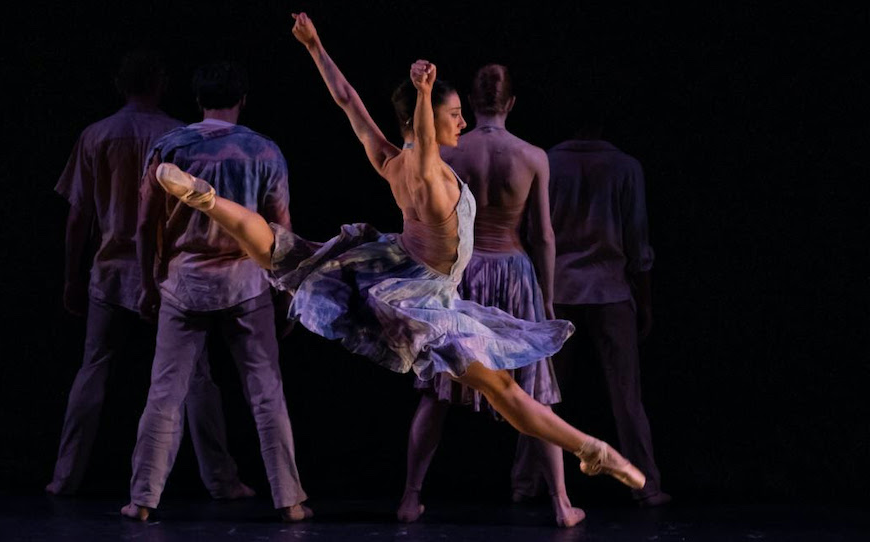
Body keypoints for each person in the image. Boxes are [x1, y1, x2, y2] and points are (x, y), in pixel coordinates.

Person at [152, 13, 646, 509]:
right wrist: (426, 91)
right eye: (455, 114)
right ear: (427, 119)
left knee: (284, 251)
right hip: (422, 295)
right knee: (503, 390)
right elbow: (427, 143)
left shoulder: (391, 161)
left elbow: (348, 101)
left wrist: (315, 46)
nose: (463, 122)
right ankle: (591, 449)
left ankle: (209, 200)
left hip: (391, 267)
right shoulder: (430, 173)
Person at [121, 60, 311, 523]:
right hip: (246, 282)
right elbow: (280, 230)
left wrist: (149, 280)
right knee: (266, 392)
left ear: (198, 99)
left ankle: (143, 500)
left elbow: (145, 226)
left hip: (183, 283)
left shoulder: (170, 147)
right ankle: (289, 500)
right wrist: (289, 293)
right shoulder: (264, 152)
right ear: (242, 99)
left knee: (165, 393)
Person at [395, 64, 584, 527]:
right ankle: (561, 504)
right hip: (516, 274)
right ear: (511, 103)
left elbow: (420, 214)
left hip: (462, 271)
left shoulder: (449, 152)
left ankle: (409, 498)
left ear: (471, 107)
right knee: (533, 392)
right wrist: (549, 297)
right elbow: (542, 234)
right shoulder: (532, 155)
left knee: (439, 391)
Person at [47, 50, 194, 496]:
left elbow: (78, 217)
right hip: (166, 272)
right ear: (161, 82)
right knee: (191, 374)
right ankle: (216, 478)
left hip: (110, 268)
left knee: (94, 367)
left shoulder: (97, 134)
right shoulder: (178, 135)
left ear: (119, 84)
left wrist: (72, 276)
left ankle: (65, 476)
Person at [547, 92, 671, 507]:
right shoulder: (625, 167)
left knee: (544, 397)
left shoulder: (549, 162)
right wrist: (646, 301)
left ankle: (528, 483)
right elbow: (638, 243)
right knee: (626, 396)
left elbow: (538, 235)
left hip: (559, 289)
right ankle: (645, 484)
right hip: (610, 290)